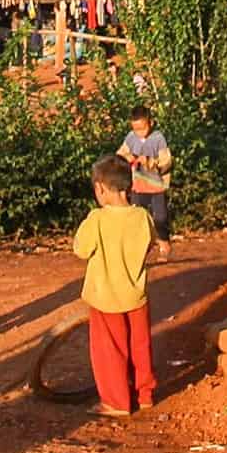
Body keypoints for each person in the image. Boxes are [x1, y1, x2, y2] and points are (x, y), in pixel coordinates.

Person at [73, 155, 156, 418]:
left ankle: (116, 402)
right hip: (135, 295)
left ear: (100, 188)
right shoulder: (143, 216)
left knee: (110, 351)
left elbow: (81, 250)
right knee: (139, 347)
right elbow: (149, 244)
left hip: (106, 297)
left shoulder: (97, 219)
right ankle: (145, 396)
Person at [117, 106, 173, 261]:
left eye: (142, 128)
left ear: (151, 123)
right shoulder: (130, 138)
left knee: (160, 218)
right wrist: (127, 157)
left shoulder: (158, 138)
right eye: (136, 129)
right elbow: (120, 153)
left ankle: (164, 243)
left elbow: (166, 161)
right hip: (138, 187)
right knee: (137, 220)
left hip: (156, 186)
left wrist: (150, 162)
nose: (139, 132)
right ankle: (139, 251)